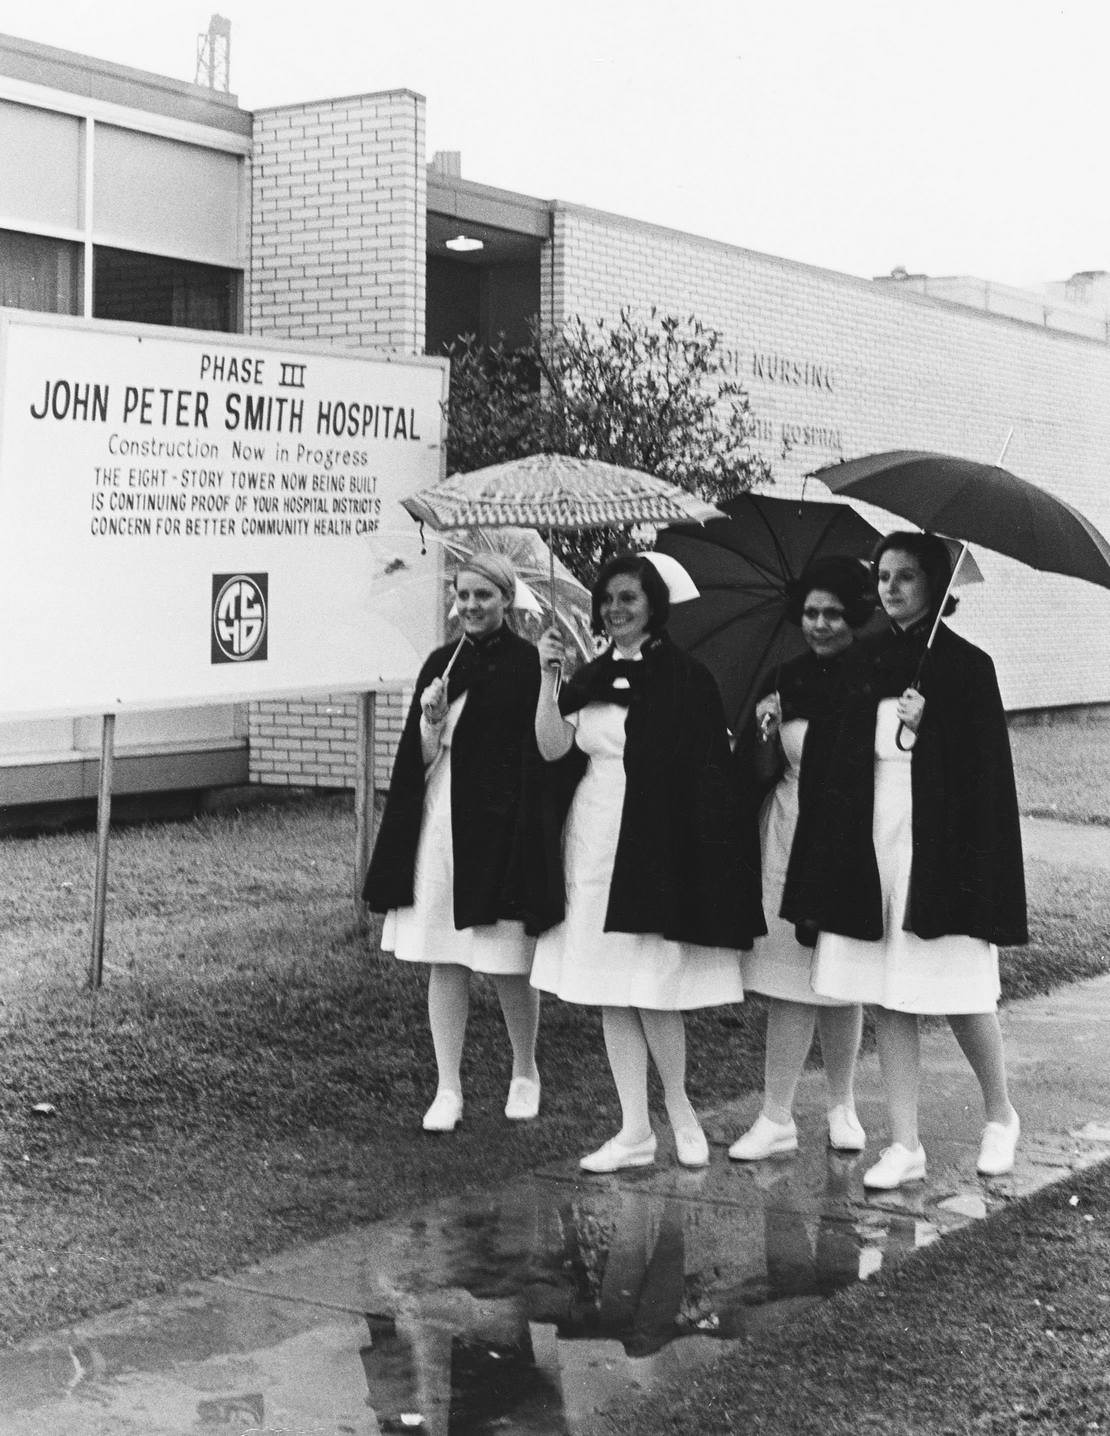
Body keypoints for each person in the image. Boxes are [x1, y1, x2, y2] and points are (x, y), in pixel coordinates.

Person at [783, 532, 1027, 1189]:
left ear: (935, 585)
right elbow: (837, 759)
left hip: (940, 848)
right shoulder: (865, 660)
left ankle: (1001, 1115)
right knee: (890, 996)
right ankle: (906, 1142)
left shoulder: (968, 667)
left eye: (906, 577)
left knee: (960, 991)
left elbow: (984, 777)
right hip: (874, 843)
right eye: (883, 576)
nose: (890, 587)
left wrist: (933, 724)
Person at [531, 553, 763, 1174]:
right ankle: (634, 1128)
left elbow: (710, 771)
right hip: (596, 836)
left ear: (653, 605)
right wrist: (547, 681)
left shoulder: (687, 676)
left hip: (658, 840)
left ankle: (681, 1111)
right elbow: (553, 746)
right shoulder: (589, 675)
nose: (615, 610)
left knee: (655, 986)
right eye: (607, 600)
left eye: (628, 599)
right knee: (612, 987)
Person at [362, 553, 543, 1133]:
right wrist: (430, 721)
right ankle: (448, 1087)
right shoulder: (441, 664)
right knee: (446, 956)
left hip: (500, 830)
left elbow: (538, 750)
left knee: (508, 959)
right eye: (463, 596)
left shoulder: (530, 664)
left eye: (483, 596)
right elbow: (419, 761)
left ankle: (525, 1071)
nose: (471, 606)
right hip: (443, 825)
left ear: (506, 600)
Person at [729, 557, 874, 1162]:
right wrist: (764, 733)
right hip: (787, 834)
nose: (820, 624)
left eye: (834, 613)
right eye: (811, 612)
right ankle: (776, 1114)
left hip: (847, 838)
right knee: (790, 979)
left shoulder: (875, 677)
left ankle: (843, 1105)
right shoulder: (783, 677)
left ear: (855, 616)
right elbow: (761, 773)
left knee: (842, 979)